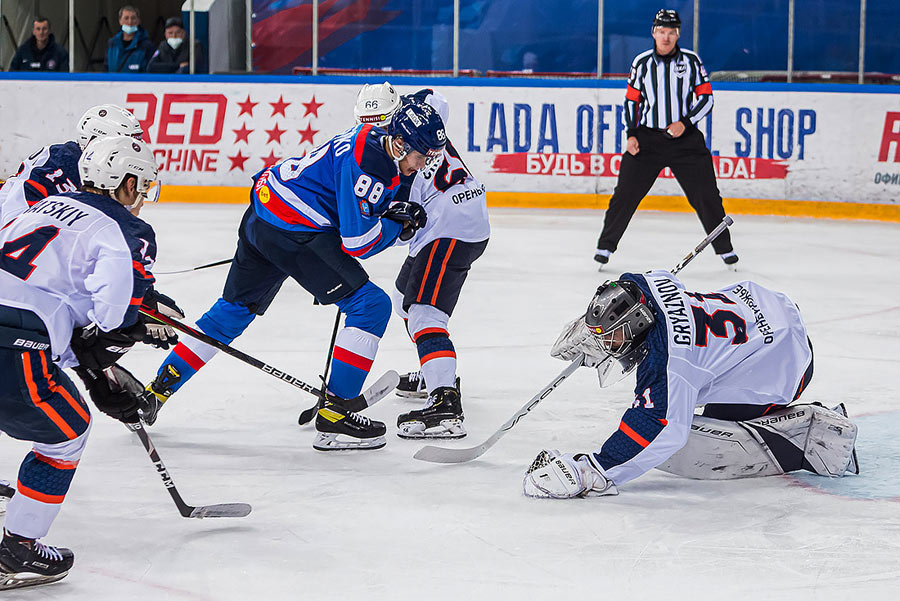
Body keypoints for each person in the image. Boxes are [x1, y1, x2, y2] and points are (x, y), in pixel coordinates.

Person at [144, 102, 447, 452]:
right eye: (420, 155)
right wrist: (399, 226)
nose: (423, 163)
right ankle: (337, 413)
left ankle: (156, 391)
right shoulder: (370, 164)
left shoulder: (374, 141)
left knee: (231, 312)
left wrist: (391, 211)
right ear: (398, 143)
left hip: (265, 212)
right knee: (370, 306)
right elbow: (359, 242)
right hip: (295, 232)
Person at [0, 136, 182, 590]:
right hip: (12, 344)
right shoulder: (125, 231)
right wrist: (116, 356)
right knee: (67, 432)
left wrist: (92, 368)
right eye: (141, 185)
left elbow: (54, 298)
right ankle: (16, 550)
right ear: (125, 182)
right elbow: (112, 319)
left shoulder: (44, 205)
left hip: (18, 333)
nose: (143, 197)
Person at [522, 270, 859, 499]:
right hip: (772, 308)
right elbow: (660, 276)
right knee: (709, 380)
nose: (611, 345)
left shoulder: (668, 363)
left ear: (638, 321)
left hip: (785, 361)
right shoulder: (642, 283)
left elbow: (661, 427)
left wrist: (597, 468)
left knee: (718, 429)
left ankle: (808, 434)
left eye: (615, 336)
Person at [353, 84, 491, 439]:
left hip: (448, 228)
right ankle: (436, 371)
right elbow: (436, 97)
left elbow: (388, 224)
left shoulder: (393, 155)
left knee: (425, 314)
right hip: (459, 217)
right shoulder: (422, 117)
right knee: (402, 298)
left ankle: (445, 403)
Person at [594, 9, 738, 268]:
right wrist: (631, 134)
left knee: (707, 195)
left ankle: (725, 248)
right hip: (648, 139)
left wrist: (685, 123)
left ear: (678, 34)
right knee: (625, 194)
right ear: (653, 33)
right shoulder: (641, 63)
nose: (666, 37)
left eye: (671, 32)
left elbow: (707, 99)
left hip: (686, 141)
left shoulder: (692, 62)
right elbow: (631, 102)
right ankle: (605, 246)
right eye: (662, 31)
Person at [0, 104, 143, 228]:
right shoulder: (62, 164)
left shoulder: (93, 167)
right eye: (125, 143)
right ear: (96, 140)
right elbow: (17, 216)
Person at [105, 5, 155, 73]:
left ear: (138, 21)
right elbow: (106, 67)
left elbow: (150, 71)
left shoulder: (146, 46)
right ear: (120, 21)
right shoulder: (112, 43)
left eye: (133, 18)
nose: (130, 22)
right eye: (126, 18)